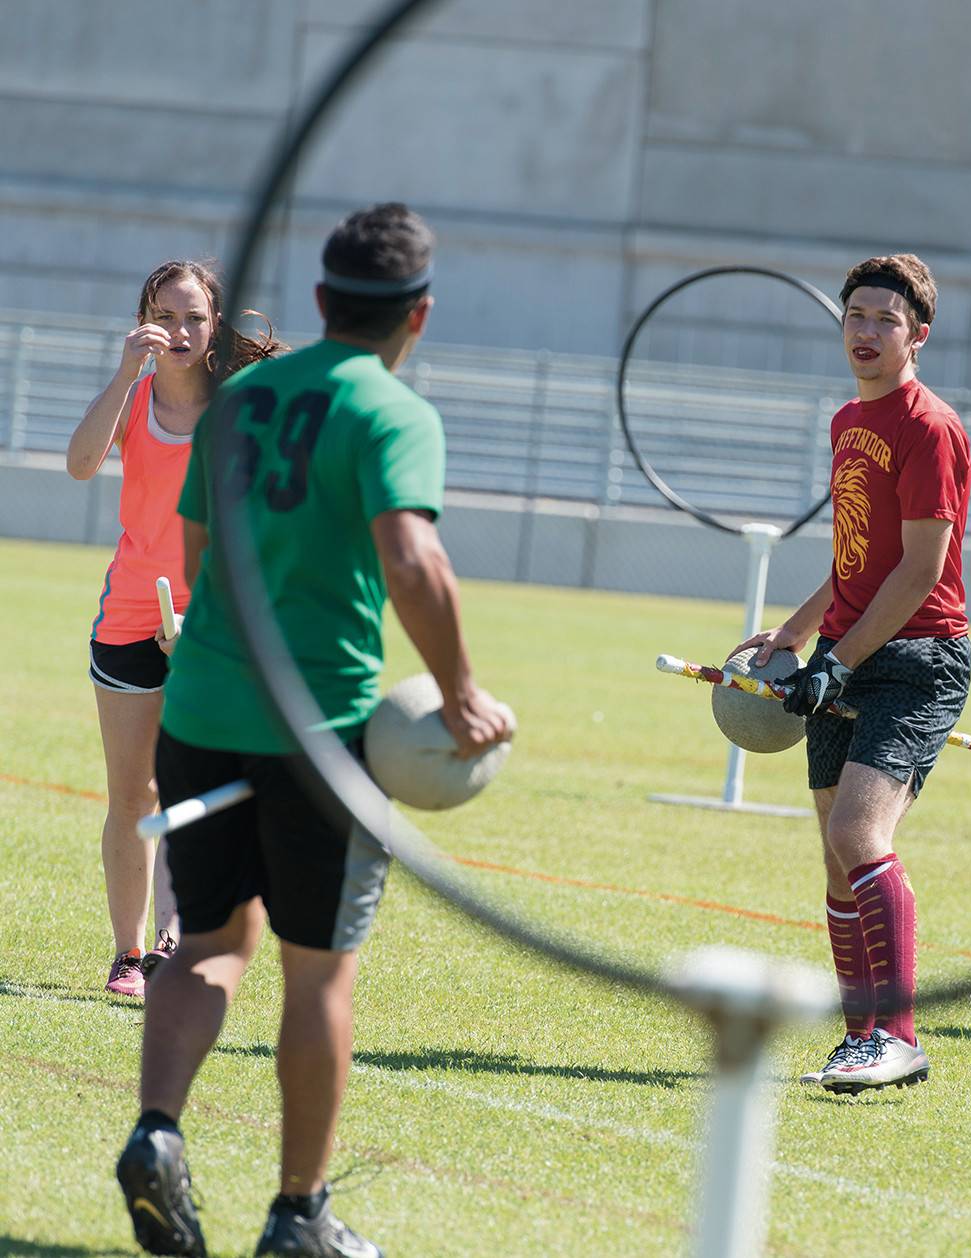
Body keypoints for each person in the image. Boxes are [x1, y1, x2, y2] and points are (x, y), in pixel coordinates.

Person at [114, 204, 513, 1257]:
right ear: (416, 316)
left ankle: (155, 1134)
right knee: (315, 967)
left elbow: (198, 561)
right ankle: (299, 1213)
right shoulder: (392, 410)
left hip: (199, 709)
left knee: (206, 943)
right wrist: (463, 691)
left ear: (324, 301)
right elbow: (413, 563)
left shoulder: (239, 403)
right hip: (317, 728)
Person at [737, 253, 971, 1093]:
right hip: (849, 649)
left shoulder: (929, 425)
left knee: (858, 837)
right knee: (836, 860)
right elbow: (856, 560)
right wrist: (796, 636)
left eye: (885, 321)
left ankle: (898, 1037)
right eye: (855, 317)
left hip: (916, 657)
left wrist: (835, 660)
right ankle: (861, 1039)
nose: (866, 333)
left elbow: (916, 573)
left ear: (918, 338)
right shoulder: (846, 422)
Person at [66, 261, 283, 1000]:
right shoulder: (134, 397)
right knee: (134, 794)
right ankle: (127, 953)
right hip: (129, 615)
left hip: (212, 623)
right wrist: (125, 373)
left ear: (215, 324)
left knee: (195, 787)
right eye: (166, 315)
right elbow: (79, 465)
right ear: (145, 319)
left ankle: (172, 938)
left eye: (194, 317)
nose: (181, 330)